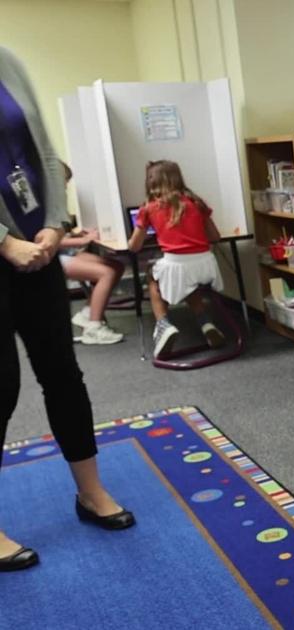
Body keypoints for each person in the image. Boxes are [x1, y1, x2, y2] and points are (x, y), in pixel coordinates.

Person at [0, 46, 134, 572]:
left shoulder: (9, 62)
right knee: (1, 385)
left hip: (41, 243)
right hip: (5, 249)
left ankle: (91, 494)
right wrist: (5, 242)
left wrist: (56, 226)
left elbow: (45, 153)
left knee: (63, 373)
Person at [128, 160, 225, 358]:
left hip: (177, 265)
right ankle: (206, 323)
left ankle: (164, 324)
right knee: (186, 281)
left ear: (151, 182)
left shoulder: (149, 208)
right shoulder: (197, 202)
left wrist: (152, 232)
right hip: (207, 264)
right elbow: (215, 237)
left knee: (153, 278)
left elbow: (134, 247)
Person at [57, 162, 125, 345]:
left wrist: (77, 234)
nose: (66, 185)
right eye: (63, 180)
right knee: (106, 273)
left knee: (116, 266)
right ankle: (94, 328)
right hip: (53, 259)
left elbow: (59, 232)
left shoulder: (56, 201)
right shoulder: (40, 202)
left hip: (65, 252)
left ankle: (88, 313)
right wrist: (83, 241)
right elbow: (45, 241)